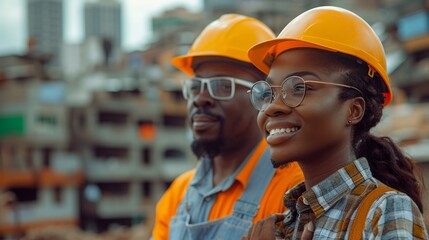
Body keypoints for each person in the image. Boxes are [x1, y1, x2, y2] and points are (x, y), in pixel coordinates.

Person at [243, 6, 428, 239]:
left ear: (354, 110)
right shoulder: (282, 225)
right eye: (268, 92)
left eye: (300, 87)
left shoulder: (384, 211)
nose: (272, 107)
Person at [151, 14, 304, 240]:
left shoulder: (292, 190)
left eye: (222, 86)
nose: (201, 98)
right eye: (196, 86)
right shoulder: (179, 195)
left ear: (263, 97)